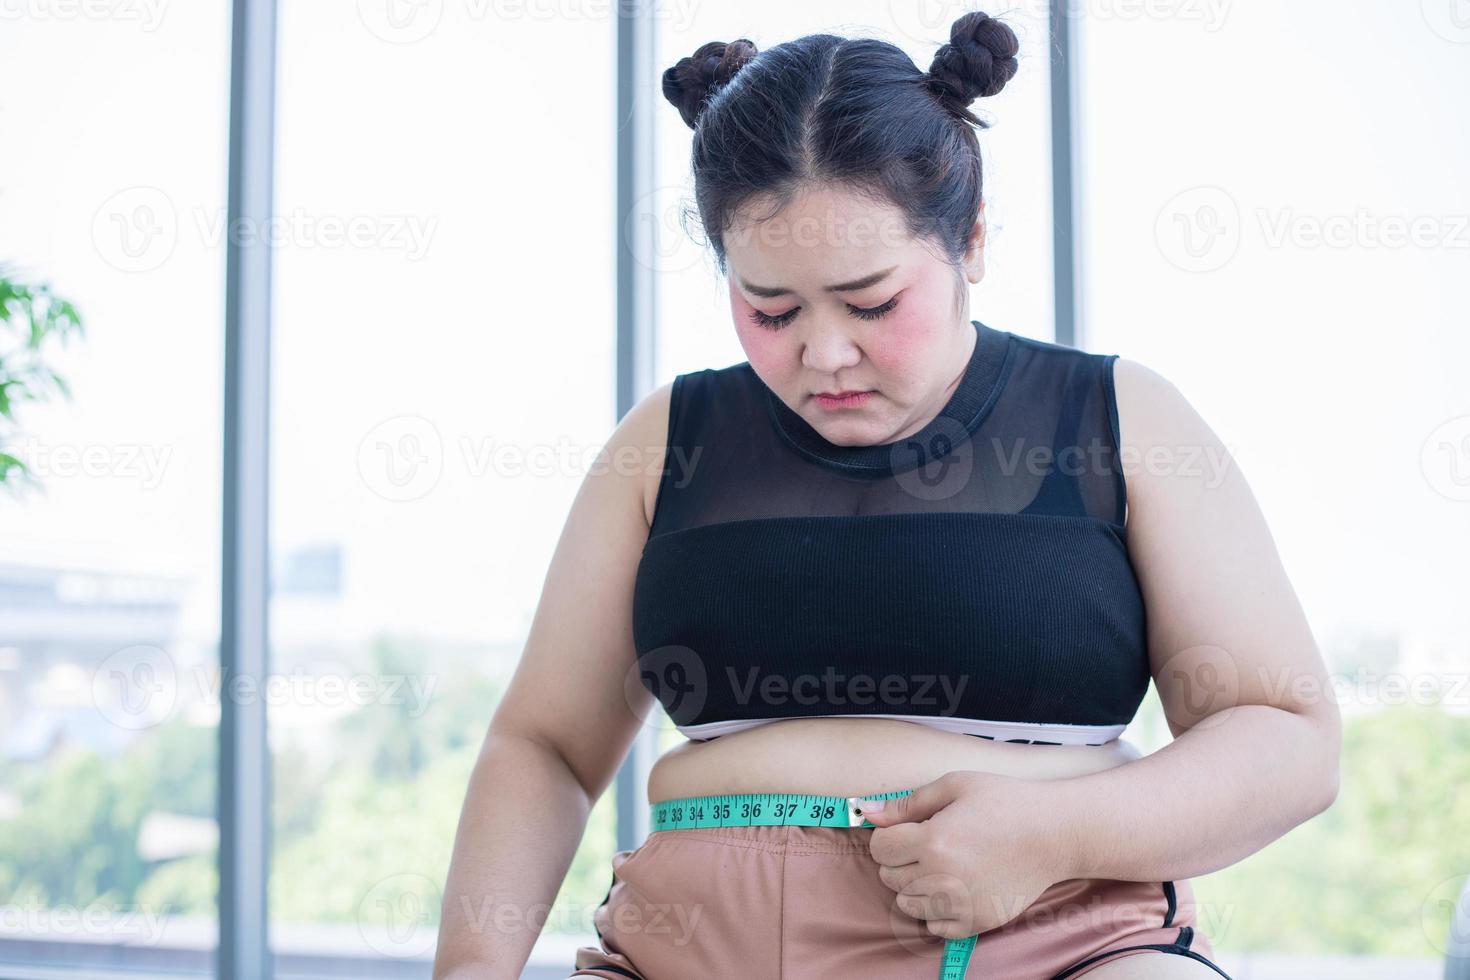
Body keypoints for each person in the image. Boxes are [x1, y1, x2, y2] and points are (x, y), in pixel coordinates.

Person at [431, 11, 1340, 980]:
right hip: (691, 949)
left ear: (973, 240)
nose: (824, 353)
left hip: (1059, 943)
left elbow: (1287, 738)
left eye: (871, 302)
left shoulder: (1119, 418)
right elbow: (547, 745)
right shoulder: (667, 443)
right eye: (769, 308)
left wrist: (1057, 832)